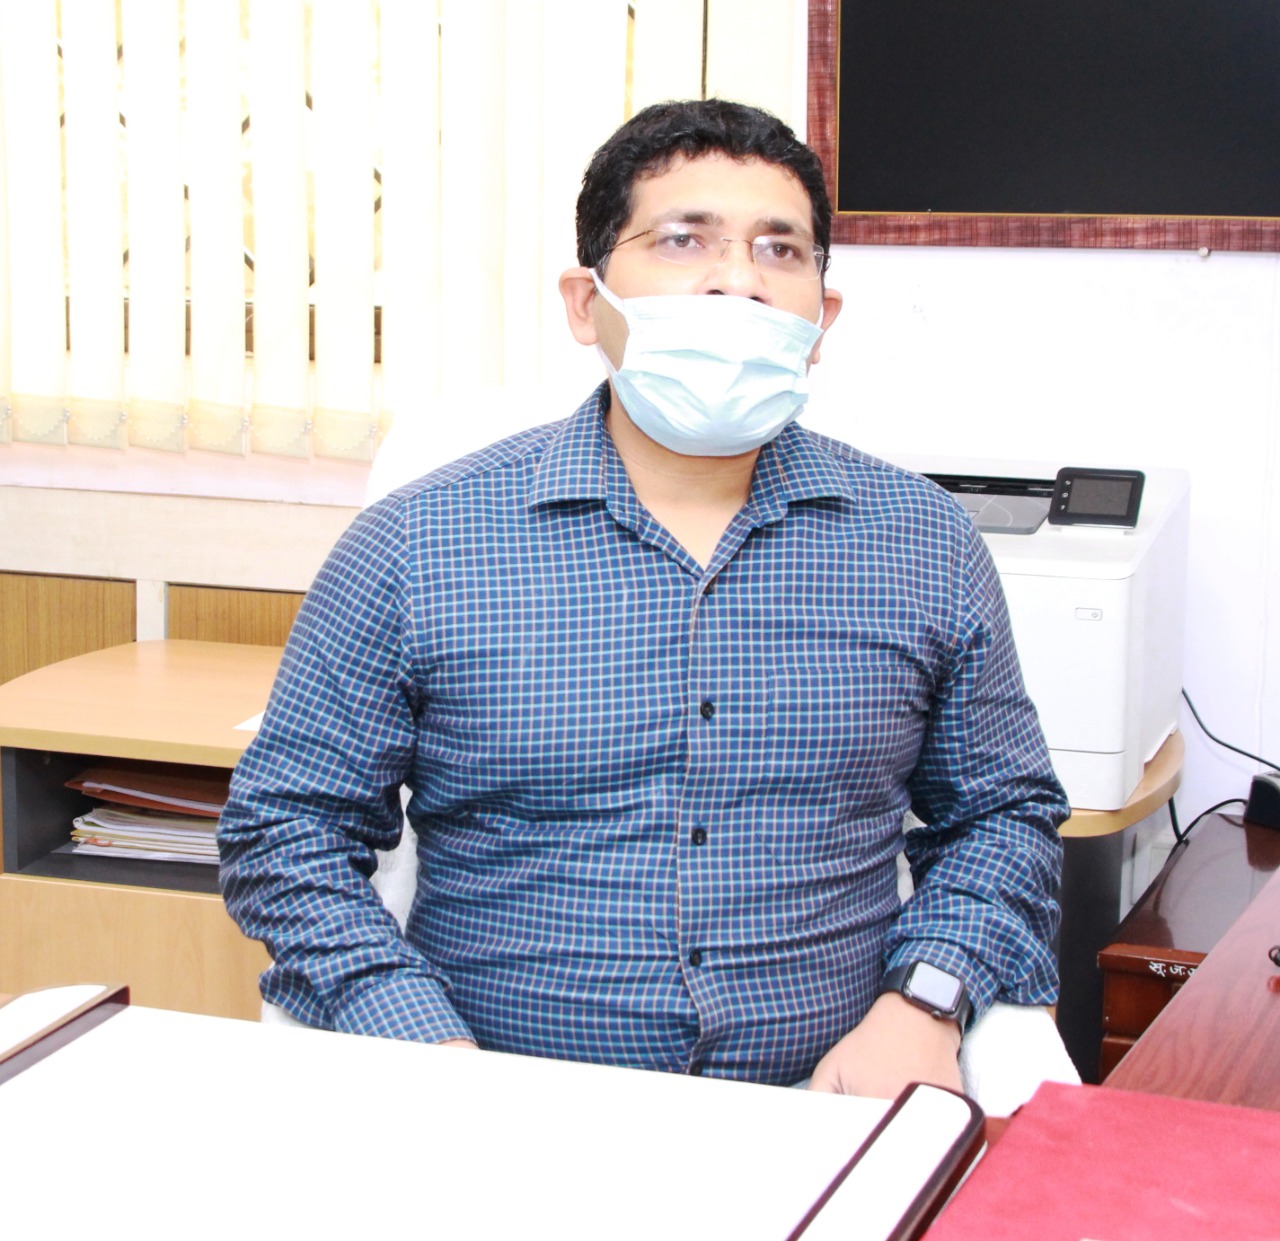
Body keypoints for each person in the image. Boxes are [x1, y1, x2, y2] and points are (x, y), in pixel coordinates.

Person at [218, 98, 1067, 1100]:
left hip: (824, 1103)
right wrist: (418, 1044)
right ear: (587, 304)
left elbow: (1003, 816)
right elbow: (286, 831)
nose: (737, 279)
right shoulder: (416, 543)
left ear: (820, 320)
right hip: (495, 1105)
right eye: (682, 239)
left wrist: (922, 1004)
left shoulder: (924, 543)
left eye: (779, 250)